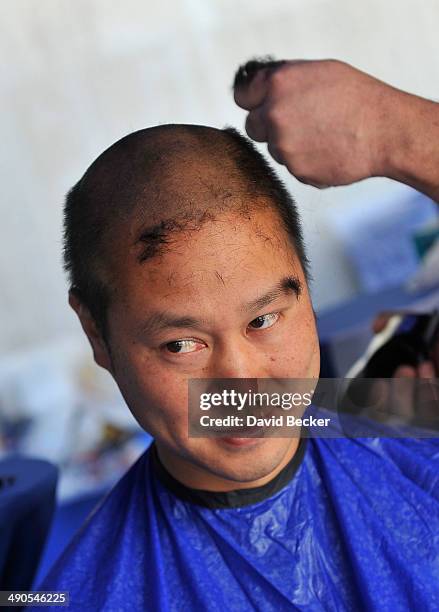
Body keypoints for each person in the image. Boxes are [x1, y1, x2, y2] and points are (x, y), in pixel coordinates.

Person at [30, 63, 439, 611]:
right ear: (97, 335)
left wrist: (400, 132)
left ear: (306, 289)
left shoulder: (409, 412)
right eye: (181, 345)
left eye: (264, 320)